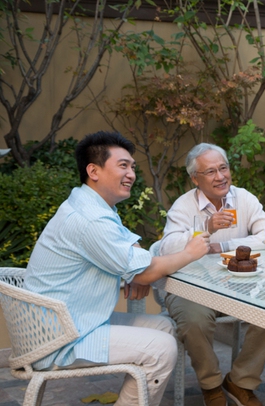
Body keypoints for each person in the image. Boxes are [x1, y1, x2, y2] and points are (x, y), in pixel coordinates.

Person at [24, 131, 210, 406]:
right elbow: (145, 269)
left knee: (164, 328)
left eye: (132, 167)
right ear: (93, 171)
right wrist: (188, 253)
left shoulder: (93, 205)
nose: (132, 174)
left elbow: (135, 255)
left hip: (72, 322)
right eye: (123, 165)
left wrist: (139, 270)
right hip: (59, 337)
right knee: (161, 349)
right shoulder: (89, 218)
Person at [158, 143, 265, 406]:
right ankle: (210, 384)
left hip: (240, 284)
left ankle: (240, 381)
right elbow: (167, 248)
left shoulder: (243, 198)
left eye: (223, 168)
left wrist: (223, 246)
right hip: (192, 287)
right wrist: (204, 228)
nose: (220, 176)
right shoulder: (184, 205)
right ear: (195, 179)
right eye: (210, 172)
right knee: (193, 320)